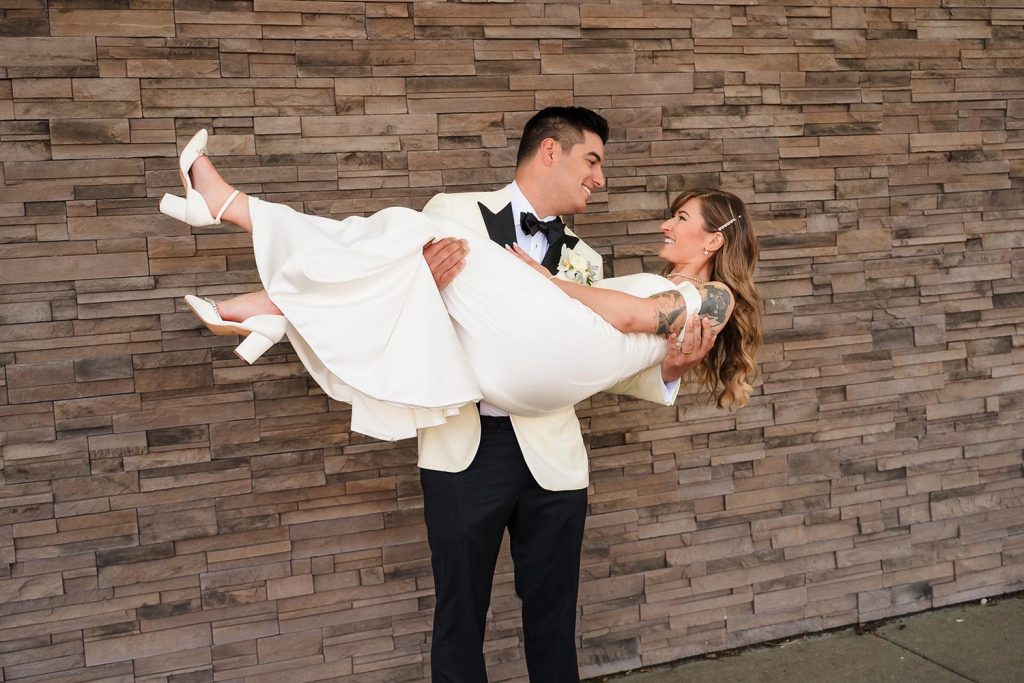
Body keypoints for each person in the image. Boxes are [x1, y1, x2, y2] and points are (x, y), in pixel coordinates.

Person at [159, 108, 762, 681]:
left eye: (681, 219)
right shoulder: (455, 211)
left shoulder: (587, 259)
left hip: (550, 452)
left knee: (552, 617)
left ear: (712, 241)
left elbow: (594, 355)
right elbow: (414, 307)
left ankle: (254, 260)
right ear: (552, 151)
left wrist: (674, 368)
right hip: (465, 447)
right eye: (593, 162)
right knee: (459, 616)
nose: (601, 180)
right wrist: (426, 280)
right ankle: (255, 262)